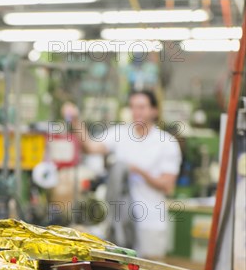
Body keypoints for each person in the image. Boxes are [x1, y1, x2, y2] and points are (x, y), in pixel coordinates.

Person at [63, 90, 182, 260]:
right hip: (120, 221)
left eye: (142, 107)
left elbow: (168, 185)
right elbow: (90, 147)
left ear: (154, 111)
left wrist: (136, 170)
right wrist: (75, 120)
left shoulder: (166, 143)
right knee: (121, 269)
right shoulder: (120, 134)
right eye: (133, 107)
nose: (136, 112)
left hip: (151, 220)